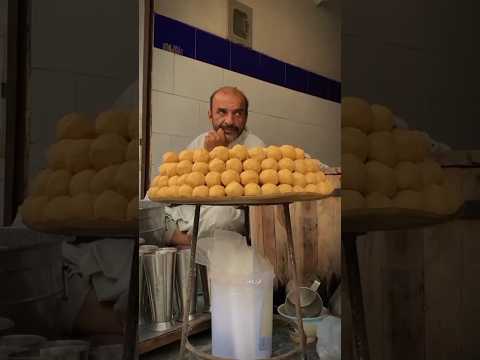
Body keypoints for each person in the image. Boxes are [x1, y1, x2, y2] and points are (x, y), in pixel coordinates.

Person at [160, 86, 265, 245]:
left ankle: (186, 241)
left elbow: (239, 197)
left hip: (223, 214)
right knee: (151, 207)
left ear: (246, 116)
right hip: (196, 210)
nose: (229, 121)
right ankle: (188, 241)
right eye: (222, 112)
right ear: (210, 114)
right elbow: (184, 185)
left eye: (238, 113)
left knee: (223, 215)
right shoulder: (200, 141)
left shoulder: (255, 146)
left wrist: (218, 152)